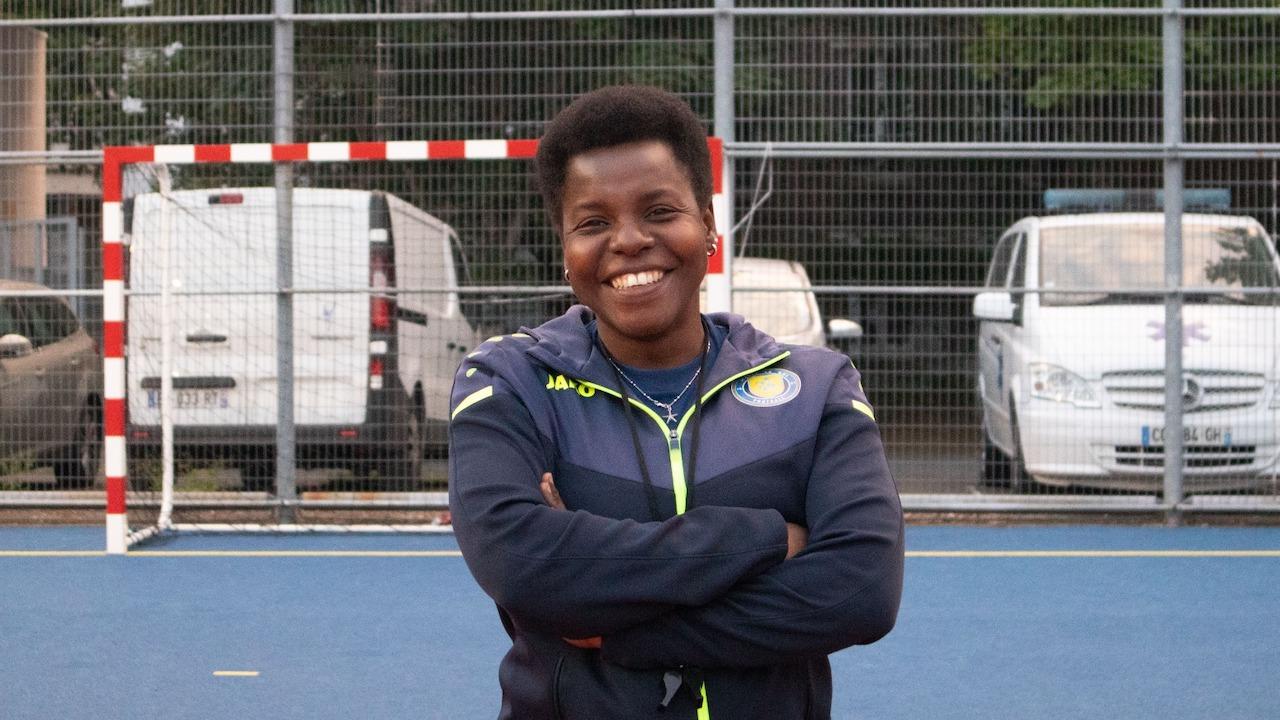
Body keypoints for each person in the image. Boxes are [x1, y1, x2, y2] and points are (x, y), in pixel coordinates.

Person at [448, 84, 904, 720]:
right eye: (593, 223)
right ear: (565, 250)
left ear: (709, 226)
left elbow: (861, 591)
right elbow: (523, 564)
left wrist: (619, 633)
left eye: (659, 211)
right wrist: (767, 537)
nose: (629, 240)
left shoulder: (816, 386)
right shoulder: (508, 382)